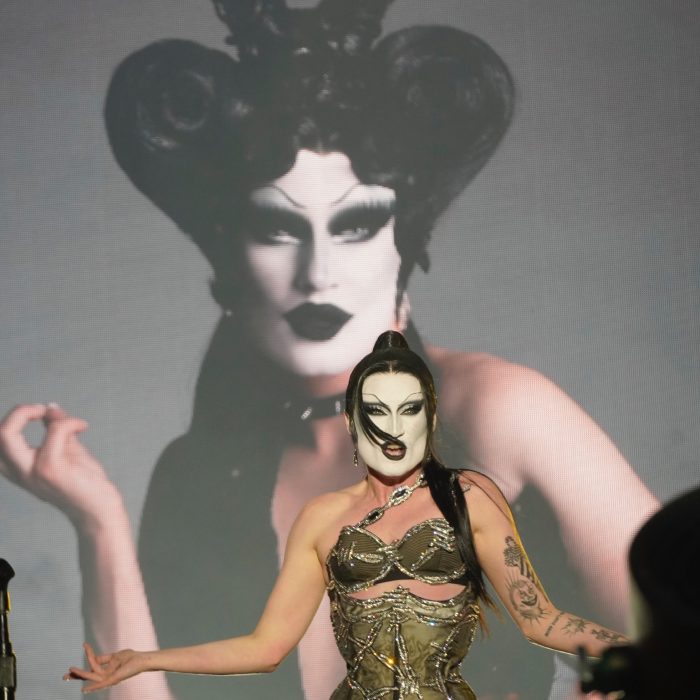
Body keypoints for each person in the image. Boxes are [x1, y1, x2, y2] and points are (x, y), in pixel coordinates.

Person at [0, 1, 657, 698]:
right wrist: (97, 522)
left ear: (403, 248)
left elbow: (677, 637)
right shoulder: (197, 476)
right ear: (229, 262)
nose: (318, 272)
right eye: (277, 230)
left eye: (357, 225)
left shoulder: (501, 413)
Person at [62, 331, 629, 699]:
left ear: (430, 419)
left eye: (409, 410)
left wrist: (641, 653)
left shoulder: (470, 496)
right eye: (377, 411)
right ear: (353, 423)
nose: (394, 428)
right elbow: (265, 647)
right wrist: (143, 660)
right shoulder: (323, 517)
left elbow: (540, 620)